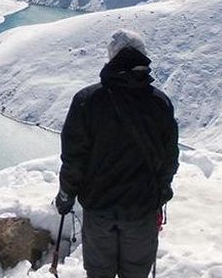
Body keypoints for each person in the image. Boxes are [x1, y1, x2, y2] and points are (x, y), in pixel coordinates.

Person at [55, 29, 179, 278]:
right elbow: (169, 158)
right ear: (143, 58)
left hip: (99, 209)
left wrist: (66, 195)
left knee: (99, 273)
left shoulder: (87, 101)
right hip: (142, 210)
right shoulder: (159, 103)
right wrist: (162, 192)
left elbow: (74, 158)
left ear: (110, 58)